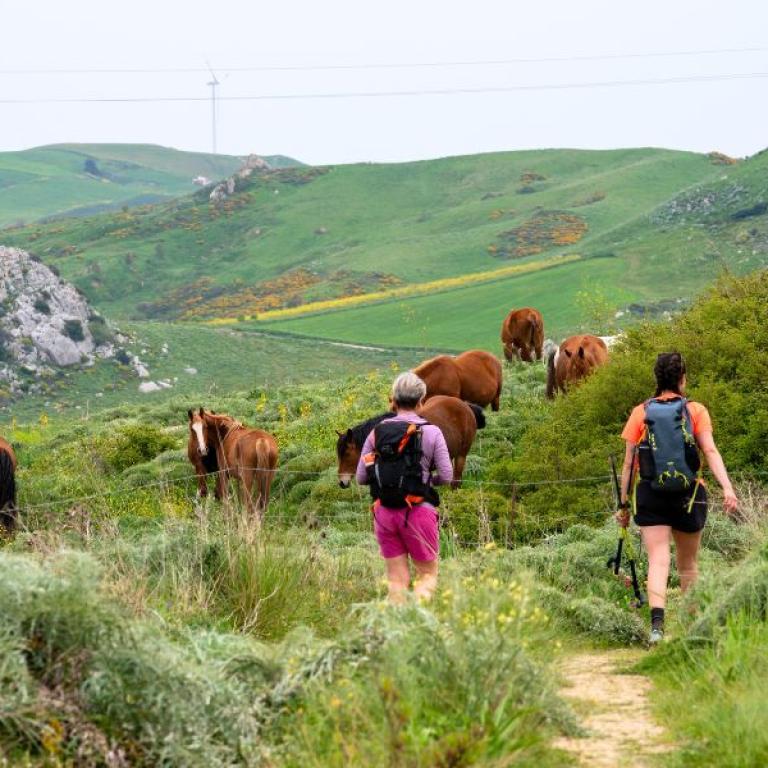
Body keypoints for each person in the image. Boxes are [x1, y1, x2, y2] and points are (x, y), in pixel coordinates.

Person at [618, 352, 739, 644]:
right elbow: (709, 451)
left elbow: (628, 464)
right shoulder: (696, 410)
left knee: (658, 560)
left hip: (650, 494)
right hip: (690, 494)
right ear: (682, 378)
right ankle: (693, 626)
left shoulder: (640, 412)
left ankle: (657, 628)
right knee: (688, 565)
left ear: (656, 378)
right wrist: (727, 487)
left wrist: (623, 504)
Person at [356, 371, 452, 603]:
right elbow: (447, 476)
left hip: (385, 513)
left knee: (397, 580)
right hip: (419, 512)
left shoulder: (376, 432)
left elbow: (360, 477)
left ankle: (396, 627)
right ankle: (415, 623)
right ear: (421, 401)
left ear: (394, 400)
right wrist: (428, 481)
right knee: (427, 574)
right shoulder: (432, 432)